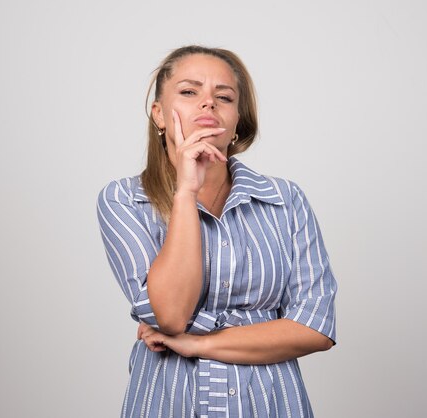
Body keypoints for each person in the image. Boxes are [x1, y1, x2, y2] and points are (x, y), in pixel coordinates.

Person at [97, 45, 337, 418]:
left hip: (270, 404)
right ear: (159, 114)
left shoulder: (285, 200)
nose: (208, 104)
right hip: (170, 402)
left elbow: (314, 328)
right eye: (190, 92)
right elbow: (172, 315)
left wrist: (194, 343)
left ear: (237, 121)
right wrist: (186, 192)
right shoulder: (124, 200)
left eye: (223, 97)